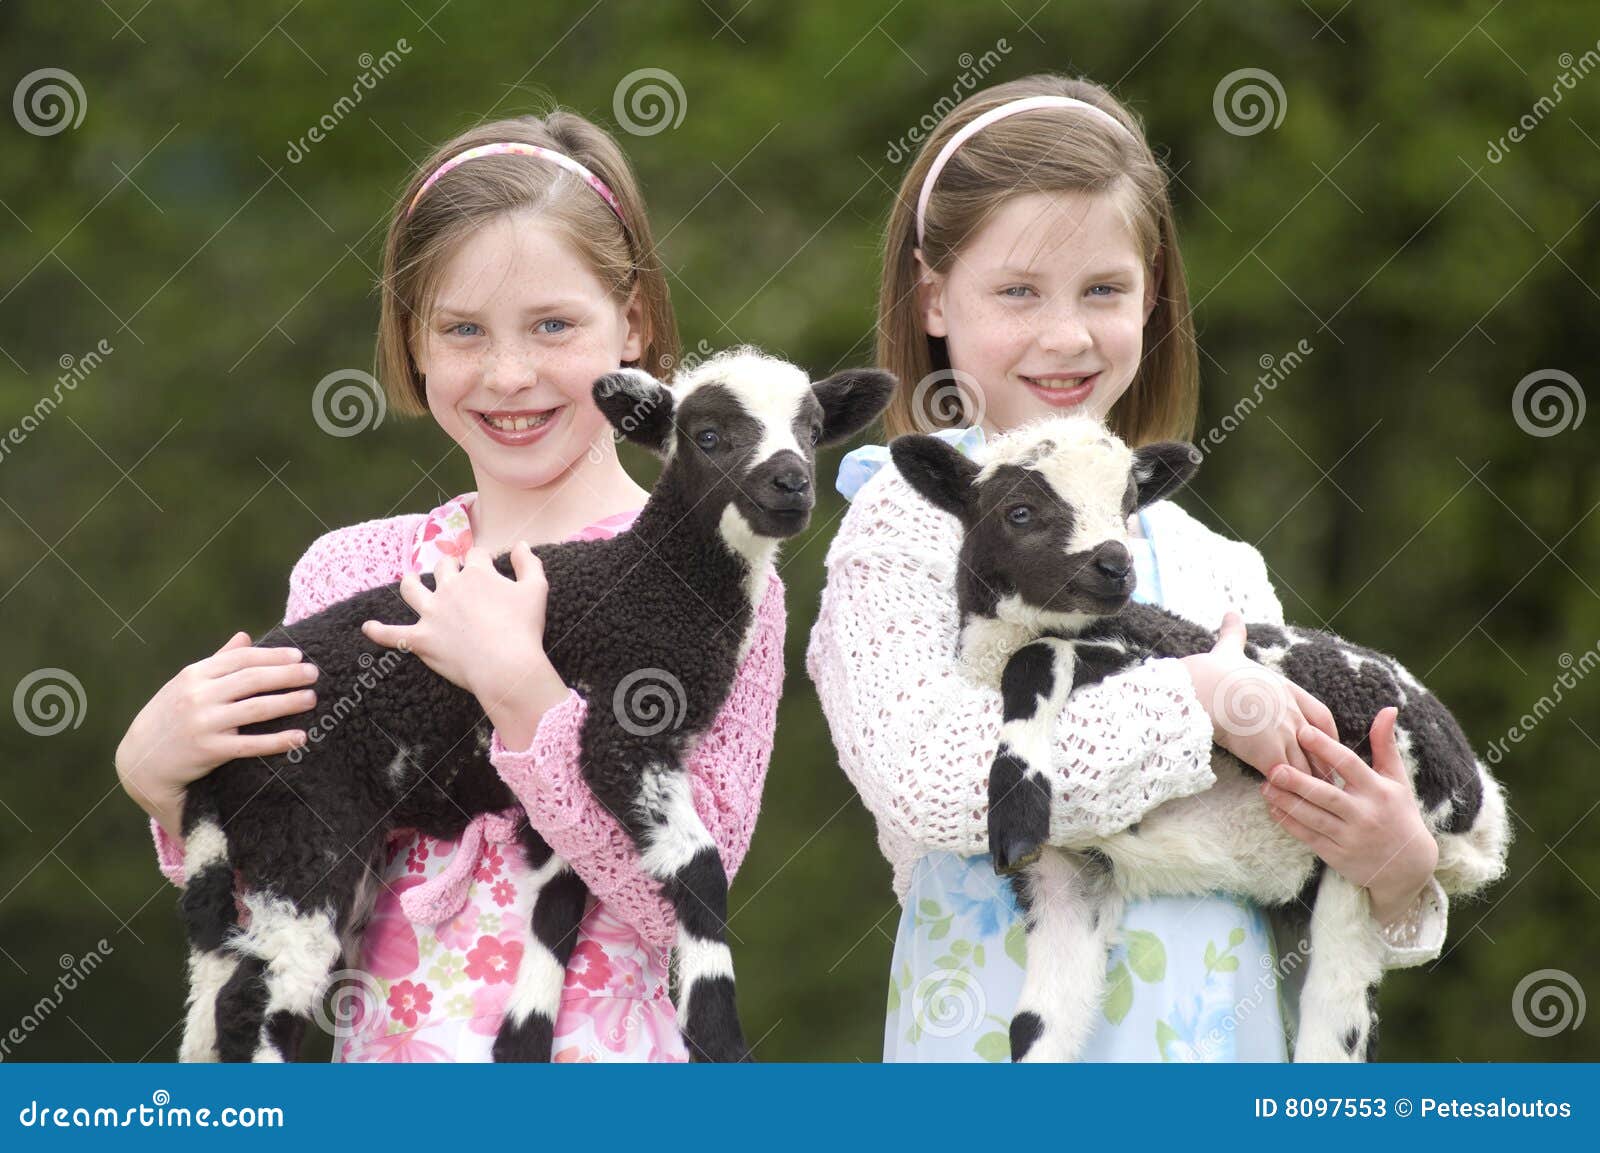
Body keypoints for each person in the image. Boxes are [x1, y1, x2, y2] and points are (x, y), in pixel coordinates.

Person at [115, 110, 784, 1062]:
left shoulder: (711, 579)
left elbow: (670, 895)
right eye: (463, 329)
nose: (509, 374)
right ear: (413, 339)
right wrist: (162, 782)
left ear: (632, 322)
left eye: (554, 325)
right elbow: (292, 852)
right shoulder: (352, 569)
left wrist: (522, 692)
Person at [807, 74, 1447, 1062]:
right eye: (1017, 290)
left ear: (1152, 294)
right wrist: (1197, 700)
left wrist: (1394, 870)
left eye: (1103, 289)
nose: (1066, 334)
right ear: (934, 295)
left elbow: (1276, 849)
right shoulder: (905, 528)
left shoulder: (1213, 563)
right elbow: (929, 782)